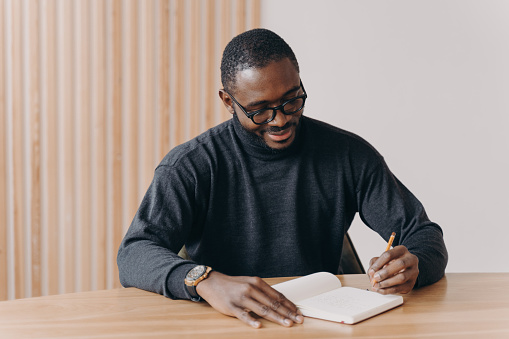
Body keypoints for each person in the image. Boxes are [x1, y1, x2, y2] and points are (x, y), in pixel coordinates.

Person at [117, 28, 448, 329]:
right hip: (227, 324)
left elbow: (423, 234)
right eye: (260, 110)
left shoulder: (347, 154)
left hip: (319, 323)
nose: (280, 121)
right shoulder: (191, 165)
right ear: (228, 102)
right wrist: (204, 280)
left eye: (292, 100)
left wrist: (413, 263)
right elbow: (134, 253)